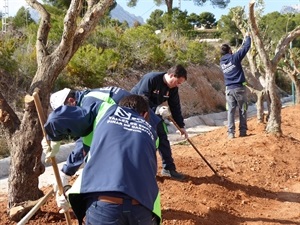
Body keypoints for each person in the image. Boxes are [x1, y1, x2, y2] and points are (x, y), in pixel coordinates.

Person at [42, 94, 161, 225]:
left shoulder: (105, 110)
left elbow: (57, 118)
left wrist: (53, 138)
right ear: (144, 115)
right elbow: (136, 172)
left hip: (105, 208)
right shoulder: (152, 133)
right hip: (142, 210)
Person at [47, 87, 160, 186]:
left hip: (142, 130)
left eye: (67, 110)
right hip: (146, 129)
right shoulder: (91, 97)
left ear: (71, 101)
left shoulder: (89, 103)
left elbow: (85, 142)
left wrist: (66, 172)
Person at [131, 64, 188, 180]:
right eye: (178, 82)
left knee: (162, 136)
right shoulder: (151, 79)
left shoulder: (173, 89)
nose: (178, 85)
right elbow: (142, 98)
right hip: (135, 111)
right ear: (172, 75)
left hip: (151, 113)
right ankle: (136, 170)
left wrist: (181, 126)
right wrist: (157, 109)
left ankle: (168, 168)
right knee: (142, 141)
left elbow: (175, 107)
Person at [220, 32, 251, 139]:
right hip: (239, 88)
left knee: (231, 111)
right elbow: (246, 47)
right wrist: (248, 37)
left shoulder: (222, 62)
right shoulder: (234, 58)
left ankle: (230, 133)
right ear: (229, 50)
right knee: (243, 109)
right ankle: (242, 132)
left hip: (228, 89)